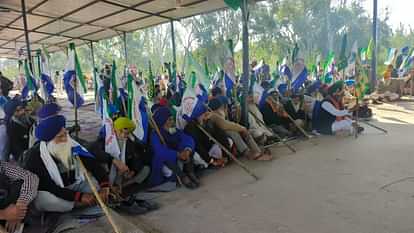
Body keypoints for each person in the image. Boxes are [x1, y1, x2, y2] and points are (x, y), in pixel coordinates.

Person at [25, 104, 110, 213]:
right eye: (60, 137)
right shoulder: (35, 156)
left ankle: (85, 202)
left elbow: (93, 164)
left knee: (96, 185)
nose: (65, 139)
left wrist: (104, 186)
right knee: (47, 199)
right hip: (55, 191)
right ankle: (77, 204)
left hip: (75, 184)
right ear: (49, 141)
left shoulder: (72, 144)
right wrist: (79, 197)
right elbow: (50, 187)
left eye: (65, 134)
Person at [88, 117, 157, 214]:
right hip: (106, 176)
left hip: (121, 177)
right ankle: (112, 193)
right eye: (122, 132)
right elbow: (93, 151)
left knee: (145, 170)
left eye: (127, 133)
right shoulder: (104, 140)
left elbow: (136, 160)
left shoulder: (128, 142)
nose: (125, 135)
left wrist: (133, 171)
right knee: (105, 168)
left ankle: (119, 190)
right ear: (115, 130)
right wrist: (114, 160)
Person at [208, 96, 272, 161]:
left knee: (242, 131)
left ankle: (257, 151)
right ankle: (249, 153)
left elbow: (228, 123)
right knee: (235, 132)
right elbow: (225, 125)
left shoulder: (216, 114)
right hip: (221, 138)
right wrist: (241, 128)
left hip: (223, 135)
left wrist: (241, 128)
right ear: (220, 107)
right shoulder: (214, 115)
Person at [150, 107, 200, 189]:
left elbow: (186, 138)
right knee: (167, 159)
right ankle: (183, 177)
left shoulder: (173, 130)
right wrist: (177, 154)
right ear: (162, 121)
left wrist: (187, 150)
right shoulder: (155, 135)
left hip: (179, 156)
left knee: (189, 150)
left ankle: (191, 173)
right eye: (169, 120)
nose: (172, 122)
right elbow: (160, 152)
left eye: (172, 119)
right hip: (165, 161)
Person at [183, 100, 227, 168]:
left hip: (208, 148)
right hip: (199, 152)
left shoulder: (205, 121)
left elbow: (218, 134)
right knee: (197, 157)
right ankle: (211, 163)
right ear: (197, 115)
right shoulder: (190, 128)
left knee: (224, 144)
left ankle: (218, 160)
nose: (206, 114)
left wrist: (225, 155)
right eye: (203, 113)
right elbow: (198, 146)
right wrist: (211, 160)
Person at [0, 161, 38, 233]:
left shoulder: (2, 166)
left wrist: (18, 209)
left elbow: (30, 177)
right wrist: (4, 214)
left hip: (17, 216)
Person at [4, 97, 34, 161]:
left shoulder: (29, 120)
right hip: (26, 158)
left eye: (22, 108)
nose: (22, 111)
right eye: (18, 111)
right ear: (12, 114)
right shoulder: (12, 128)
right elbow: (16, 149)